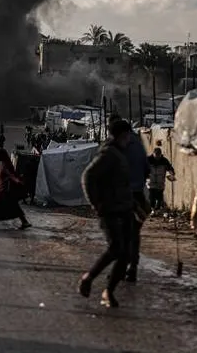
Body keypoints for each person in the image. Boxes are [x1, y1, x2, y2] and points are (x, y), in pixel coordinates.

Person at [78, 116, 134, 308]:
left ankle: (108, 291)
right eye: (128, 135)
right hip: (110, 210)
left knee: (125, 254)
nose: (130, 140)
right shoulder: (109, 154)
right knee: (117, 249)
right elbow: (87, 177)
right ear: (122, 135)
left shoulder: (118, 153)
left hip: (124, 209)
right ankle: (89, 278)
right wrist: (96, 204)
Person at [122, 132, 151, 283]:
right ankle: (133, 267)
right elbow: (147, 171)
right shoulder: (140, 148)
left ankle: (121, 267)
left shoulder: (119, 147)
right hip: (139, 196)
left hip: (124, 197)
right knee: (134, 235)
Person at [147, 147, 176, 212]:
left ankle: (157, 208)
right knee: (152, 196)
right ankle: (153, 210)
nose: (157, 157)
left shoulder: (164, 161)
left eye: (158, 155)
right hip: (150, 182)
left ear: (160, 154)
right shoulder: (148, 160)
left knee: (159, 197)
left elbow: (170, 169)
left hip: (160, 182)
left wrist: (171, 175)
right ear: (153, 154)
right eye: (156, 155)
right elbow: (142, 168)